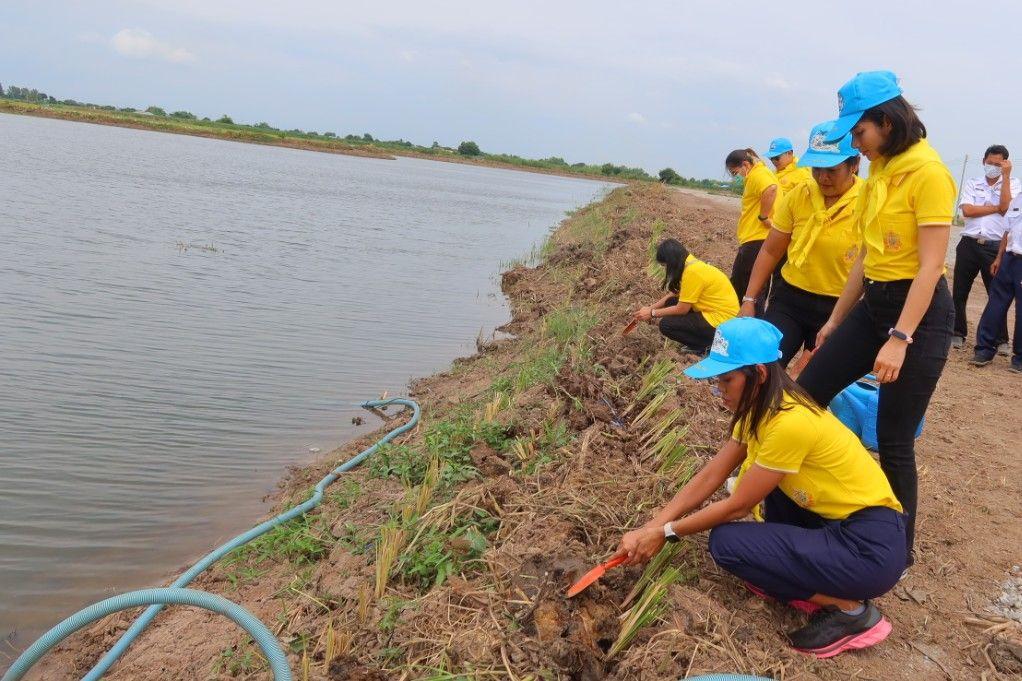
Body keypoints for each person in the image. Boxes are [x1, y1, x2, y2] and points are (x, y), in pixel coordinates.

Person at [613, 318, 905, 658]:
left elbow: (737, 506)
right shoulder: (759, 409)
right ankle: (799, 573)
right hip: (837, 524)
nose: (719, 389)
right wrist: (652, 526)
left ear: (760, 375)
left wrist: (667, 532)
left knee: (727, 544)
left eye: (726, 380)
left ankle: (851, 610)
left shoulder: (790, 423)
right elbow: (711, 475)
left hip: (868, 548)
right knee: (767, 496)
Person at [797, 71, 956, 570]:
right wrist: (835, 323)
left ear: (886, 121)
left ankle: (895, 550)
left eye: (859, 133)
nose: (856, 145)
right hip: (874, 305)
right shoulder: (880, 171)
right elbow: (865, 258)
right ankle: (811, 499)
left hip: (920, 314)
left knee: (893, 438)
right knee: (805, 395)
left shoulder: (928, 173)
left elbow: (931, 265)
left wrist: (900, 339)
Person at [740, 121, 862, 366]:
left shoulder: (869, 201)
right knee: (760, 367)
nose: (823, 177)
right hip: (790, 298)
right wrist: (749, 300)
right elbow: (771, 250)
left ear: (854, 165)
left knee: (813, 381)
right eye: (817, 168)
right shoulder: (800, 195)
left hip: (838, 305)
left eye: (832, 170)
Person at [952, 145, 1016, 352]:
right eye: (990, 163)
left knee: (996, 295)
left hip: (995, 247)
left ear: (1006, 164)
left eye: (998, 164)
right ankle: (957, 332)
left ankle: (1000, 339)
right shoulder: (973, 183)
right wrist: (996, 208)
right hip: (969, 244)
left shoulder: (1013, 185)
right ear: (983, 161)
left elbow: (1007, 208)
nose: (993, 167)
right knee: (960, 291)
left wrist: (1005, 178)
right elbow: (968, 211)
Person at [632, 239, 738, 353]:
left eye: (665, 265)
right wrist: (650, 308)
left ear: (671, 262)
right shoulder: (690, 264)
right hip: (717, 313)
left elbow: (682, 309)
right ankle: (705, 340)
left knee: (666, 325)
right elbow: (675, 293)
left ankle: (705, 345)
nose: (665, 269)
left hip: (723, 322)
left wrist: (652, 313)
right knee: (671, 301)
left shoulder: (693, 273)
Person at [971, 189, 1022, 371]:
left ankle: (1019, 358)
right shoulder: (1018, 198)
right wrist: (999, 257)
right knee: (995, 304)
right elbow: (1007, 231)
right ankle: (984, 349)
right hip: (1009, 259)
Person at [725, 149, 780, 317]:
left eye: (736, 172)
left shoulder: (758, 174)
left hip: (756, 240)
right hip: (758, 240)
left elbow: (770, 189)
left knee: (745, 288)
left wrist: (763, 217)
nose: (737, 177)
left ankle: (744, 327)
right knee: (756, 289)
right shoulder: (759, 173)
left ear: (745, 165)